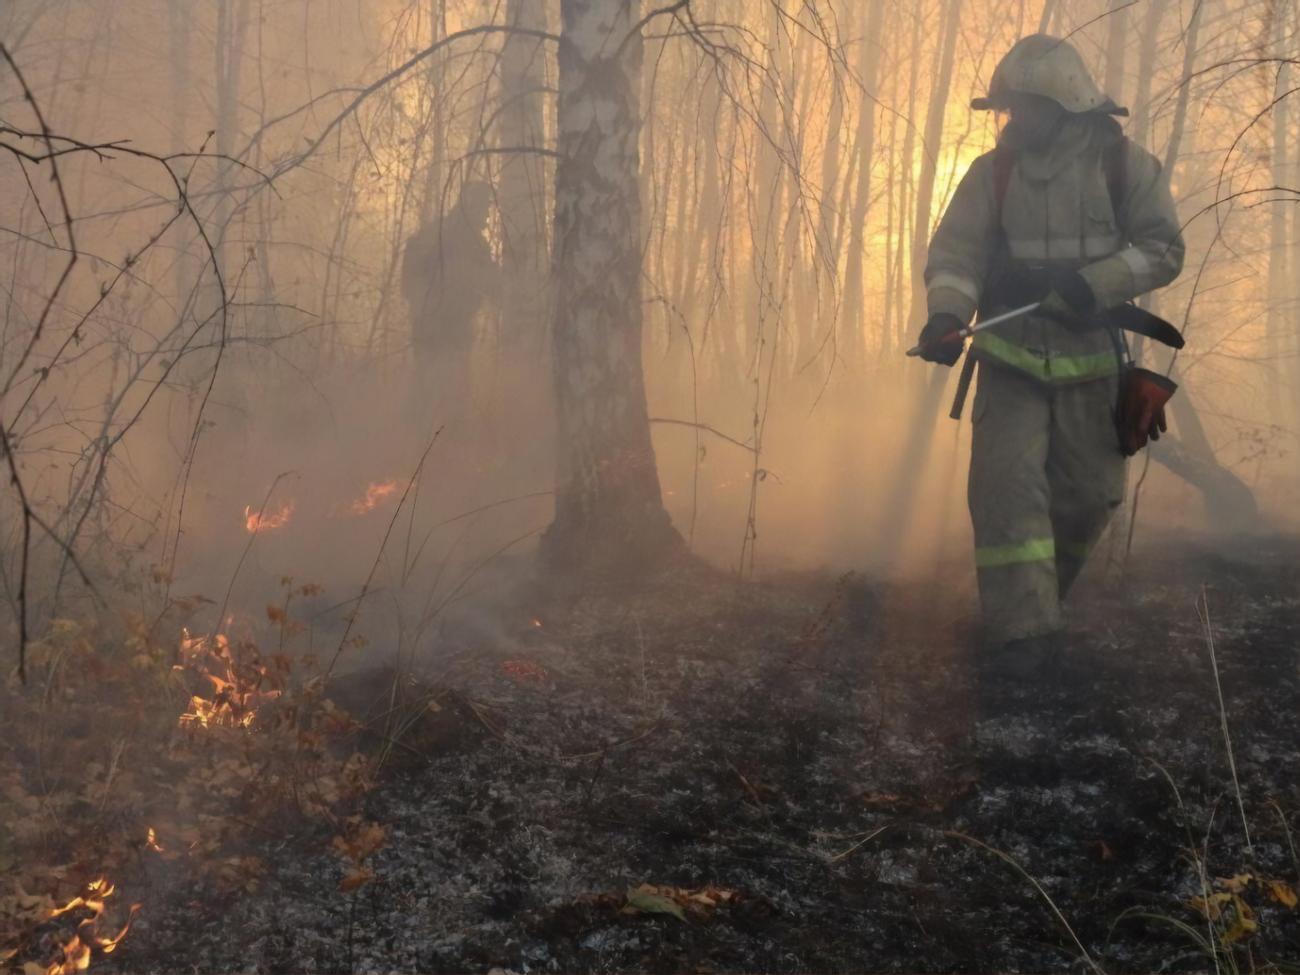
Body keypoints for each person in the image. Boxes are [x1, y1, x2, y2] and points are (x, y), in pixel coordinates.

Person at [914, 35, 1184, 681]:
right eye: (1008, 107)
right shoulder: (991, 174)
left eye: (1024, 107)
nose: (1013, 119)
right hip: (1010, 360)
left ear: (1065, 103)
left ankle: (1040, 601)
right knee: (1007, 496)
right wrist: (948, 314)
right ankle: (1022, 637)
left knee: (1090, 497)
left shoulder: (1125, 167)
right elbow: (956, 255)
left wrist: (1093, 284)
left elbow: (1162, 249)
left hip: (1093, 364)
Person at [401, 180, 498, 420]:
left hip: (431, 326)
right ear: (471, 205)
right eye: (484, 207)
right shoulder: (469, 242)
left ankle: (420, 444)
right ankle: (442, 446)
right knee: (450, 394)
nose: (486, 214)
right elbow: (494, 284)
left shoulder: (438, 230)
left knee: (429, 389)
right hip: (447, 328)